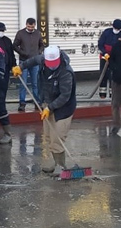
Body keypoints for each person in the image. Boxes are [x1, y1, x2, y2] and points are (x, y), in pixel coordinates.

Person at [13, 46, 77, 175]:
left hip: (63, 109)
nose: (51, 66)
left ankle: (61, 166)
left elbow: (65, 96)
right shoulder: (43, 60)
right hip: (47, 103)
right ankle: (56, 163)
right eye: (49, 63)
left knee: (57, 139)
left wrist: (50, 108)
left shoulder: (66, 72)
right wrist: (21, 67)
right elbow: (33, 61)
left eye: (54, 63)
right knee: (48, 137)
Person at [13, 17, 45, 112]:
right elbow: (14, 45)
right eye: (29, 26)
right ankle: (22, 103)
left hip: (34, 62)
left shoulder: (38, 33)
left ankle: (37, 102)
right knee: (23, 84)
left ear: (35, 25)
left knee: (35, 83)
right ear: (26, 24)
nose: (30, 28)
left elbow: (42, 45)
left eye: (32, 27)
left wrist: (39, 53)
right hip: (23, 62)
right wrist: (22, 53)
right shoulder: (20, 33)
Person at [96, 19, 121, 98]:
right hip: (105, 57)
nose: (117, 30)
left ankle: (113, 94)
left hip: (115, 59)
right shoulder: (106, 33)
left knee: (113, 76)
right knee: (103, 75)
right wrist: (105, 53)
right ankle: (102, 94)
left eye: (118, 29)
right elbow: (100, 44)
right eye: (116, 28)